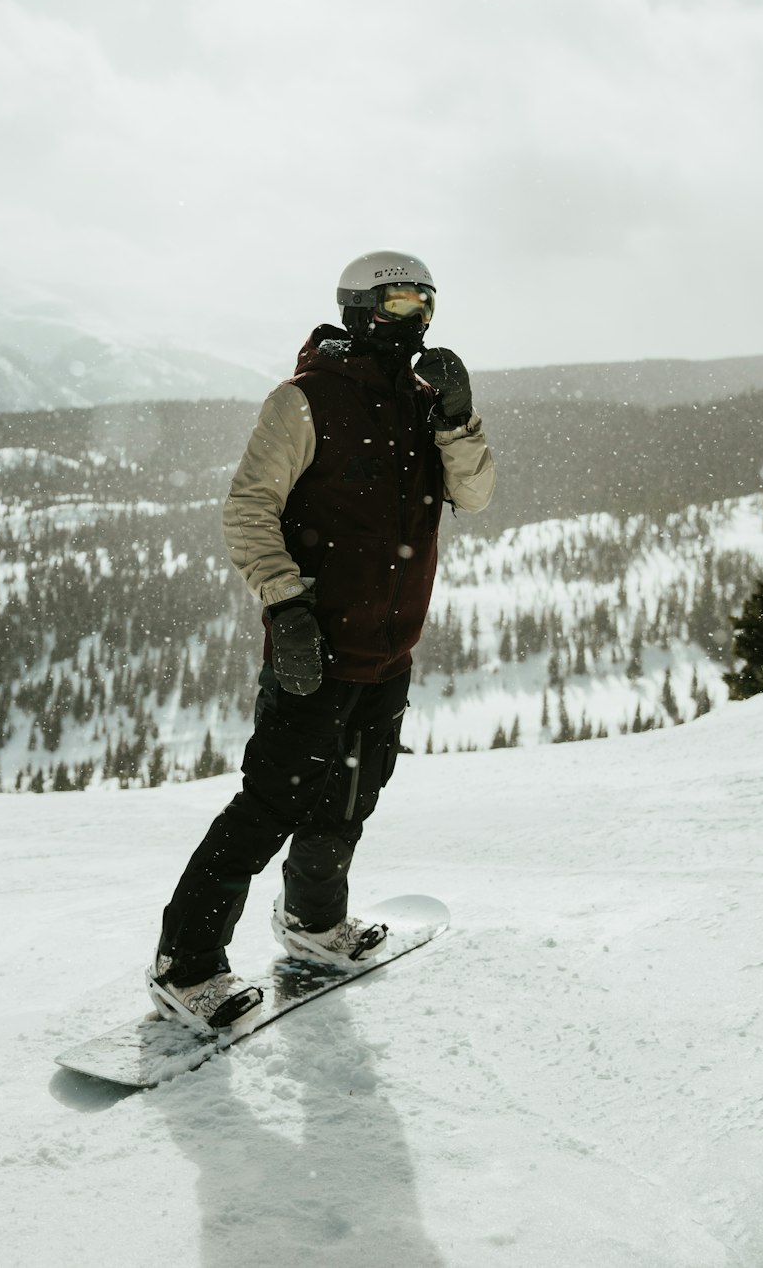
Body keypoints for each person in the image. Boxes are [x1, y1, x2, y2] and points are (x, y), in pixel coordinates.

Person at [146, 251, 496, 1032]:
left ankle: (313, 922)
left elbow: (474, 493)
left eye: (426, 304)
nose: (417, 319)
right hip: (318, 646)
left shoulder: (423, 402)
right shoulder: (303, 401)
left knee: (350, 796)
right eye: (402, 302)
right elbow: (248, 510)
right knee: (270, 806)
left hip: (388, 649)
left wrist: (458, 420)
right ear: (361, 307)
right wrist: (286, 605)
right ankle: (187, 964)